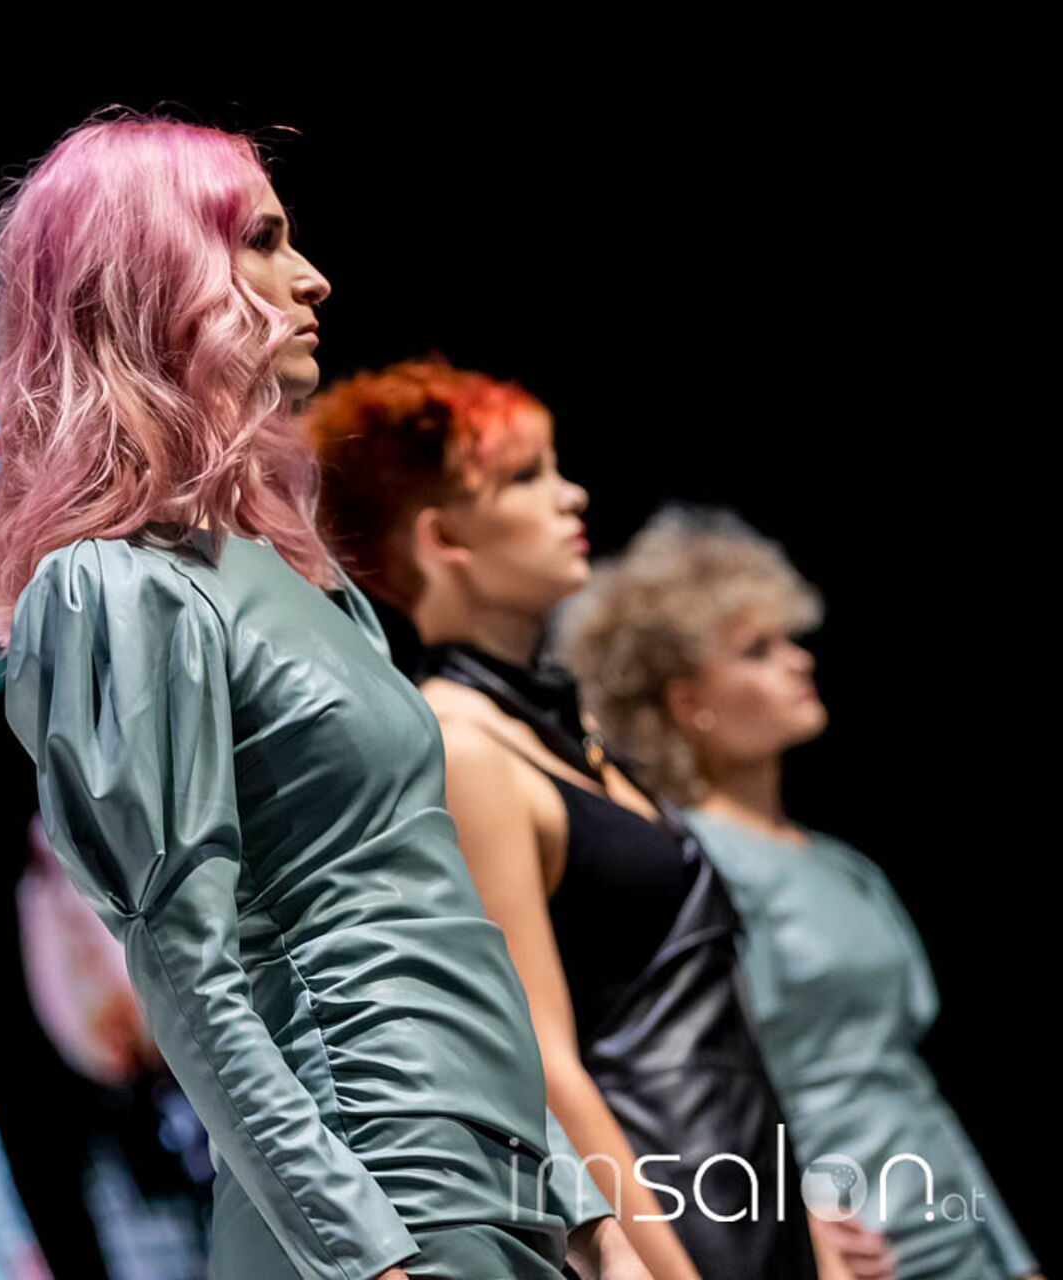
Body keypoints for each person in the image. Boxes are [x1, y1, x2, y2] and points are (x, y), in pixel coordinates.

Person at [0, 116, 641, 1280]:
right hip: (375, 1192)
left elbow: (427, 906)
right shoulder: (115, 586)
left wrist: (583, 1214)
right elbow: (183, 962)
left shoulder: (306, 584)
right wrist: (359, 1253)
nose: (313, 276)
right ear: (152, 276)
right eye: (262, 240)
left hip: (492, 1183)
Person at [305, 358, 820, 1280]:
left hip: (749, 1186)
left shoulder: (563, 727)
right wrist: (659, 1268)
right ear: (443, 538)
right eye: (525, 477)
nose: (571, 495)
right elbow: (543, 1059)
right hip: (675, 1219)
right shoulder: (463, 748)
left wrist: (814, 1237)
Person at [552, 505, 1043, 1280]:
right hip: (848, 1241)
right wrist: (796, 1217)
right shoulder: (685, 864)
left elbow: (909, 1081)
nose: (797, 661)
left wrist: (1009, 1256)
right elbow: (699, 1078)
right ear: (685, 700)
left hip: (951, 1223)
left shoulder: (843, 865)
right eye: (757, 650)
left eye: (789, 639)